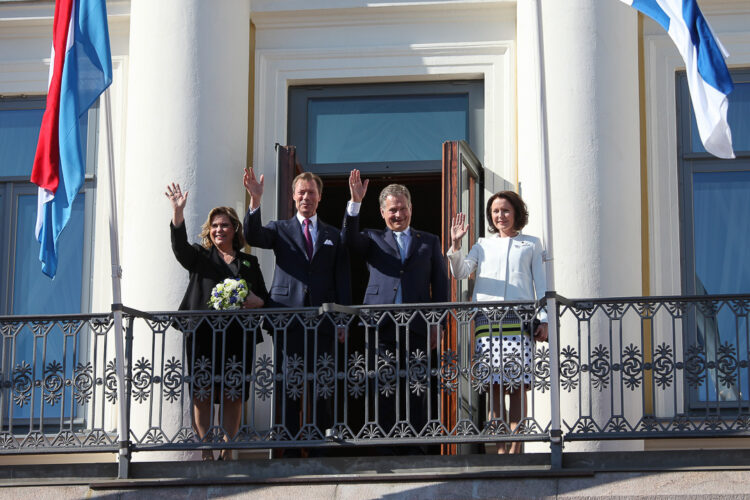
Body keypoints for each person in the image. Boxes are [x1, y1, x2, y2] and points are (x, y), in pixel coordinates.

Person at [242, 167, 351, 454]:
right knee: (289, 383)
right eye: (301, 192)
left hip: (323, 320)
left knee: (321, 384)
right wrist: (255, 201)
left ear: (320, 197)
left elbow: (342, 279)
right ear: (292, 197)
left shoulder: (333, 234)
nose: (306, 197)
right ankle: (289, 446)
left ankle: (316, 446)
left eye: (311, 192)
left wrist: (342, 320)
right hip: (287, 319)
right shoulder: (280, 229)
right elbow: (253, 236)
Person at [341, 169, 449, 449]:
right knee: (382, 385)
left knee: (417, 385)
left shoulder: (429, 241)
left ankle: (418, 445)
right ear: (382, 212)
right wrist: (355, 203)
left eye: (402, 209)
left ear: (411, 209)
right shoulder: (372, 238)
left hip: (417, 326)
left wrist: (439, 323)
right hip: (380, 326)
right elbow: (349, 240)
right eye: (392, 210)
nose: (398, 214)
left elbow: (440, 286)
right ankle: (385, 445)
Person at [166, 182, 268, 461]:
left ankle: (227, 447)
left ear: (235, 229)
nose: (218, 229)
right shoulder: (199, 257)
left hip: (238, 335)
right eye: (214, 226)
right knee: (203, 391)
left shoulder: (249, 263)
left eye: (224, 225)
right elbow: (179, 248)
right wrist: (178, 213)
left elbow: (264, 299)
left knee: (234, 393)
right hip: (203, 334)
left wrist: (258, 302)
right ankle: (206, 450)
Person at [447, 190, 548, 454]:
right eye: (495, 211)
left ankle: (517, 449)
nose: (500, 216)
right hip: (488, 323)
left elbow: (543, 285)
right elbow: (460, 272)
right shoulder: (482, 244)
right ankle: (500, 450)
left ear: (516, 213)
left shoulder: (532, 244)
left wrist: (545, 320)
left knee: (516, 386)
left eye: (505, 210)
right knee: (494, 387)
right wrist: (456, 245)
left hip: (519, 321)